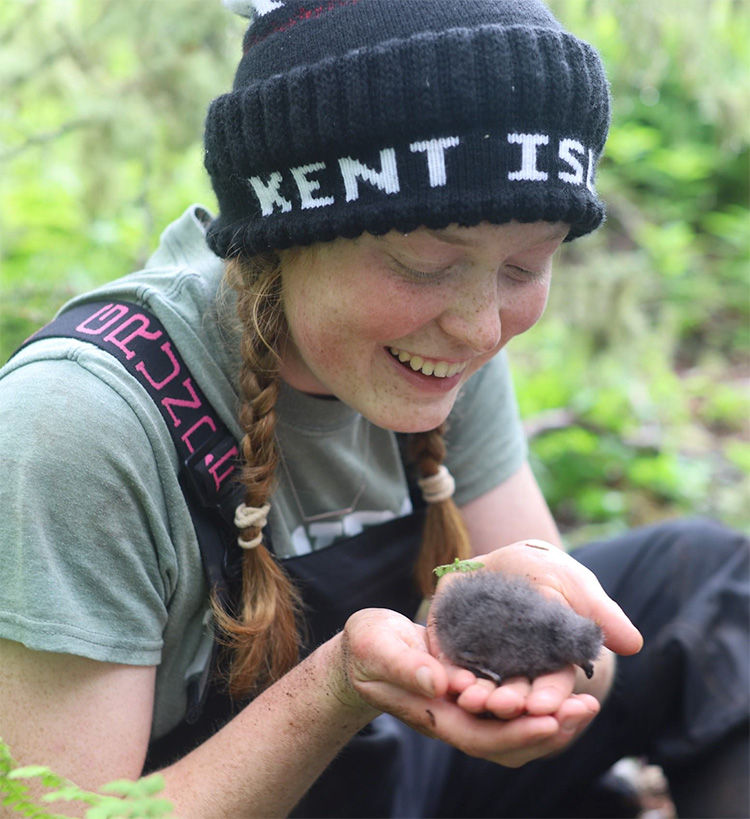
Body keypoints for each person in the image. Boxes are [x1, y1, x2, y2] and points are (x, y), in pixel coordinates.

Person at [0, 1, 747, 817]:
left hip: (385, 770)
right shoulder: (80, 427)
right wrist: (339, 685)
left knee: (710, 584)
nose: (480, 326)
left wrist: (552, 645)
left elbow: (593, 666)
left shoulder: (438, 348)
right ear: (281, 236)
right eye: (423, 265)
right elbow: (65, 812)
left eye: (526, 266)